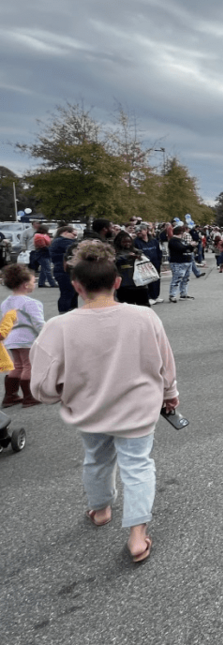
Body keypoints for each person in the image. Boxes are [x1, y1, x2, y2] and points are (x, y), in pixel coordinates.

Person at [30, 239, 179, 564]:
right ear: (116, 282)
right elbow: (164, 362)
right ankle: (137, 535)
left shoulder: (58, 327)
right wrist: (169, 393)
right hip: (137, 408)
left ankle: (100, 509)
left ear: (76, 286)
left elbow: (41, 385)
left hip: (88, 409)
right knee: (138, 465)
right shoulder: (144, 318)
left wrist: (60, 394)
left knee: (96, 459)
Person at [0, 264, 46, 407]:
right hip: (27, 338)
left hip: (11, 338)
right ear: (26, 285)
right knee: (29, 366)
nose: (34, 285)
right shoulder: (31, 303)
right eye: (33, 282)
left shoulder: (5, 302)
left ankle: (10, 396)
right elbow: (38, 322)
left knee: (17, 366)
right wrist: (46, 335)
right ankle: (29, 396)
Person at [113, 232, 151, 307]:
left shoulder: (136, 250)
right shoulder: (115, 252)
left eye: (129, 241)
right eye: (124, 242)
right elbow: (113, 260)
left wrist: (140, 256)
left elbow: (147, 259)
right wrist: (126, 257)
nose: (127, 244)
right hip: (125, 285)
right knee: (127, 308)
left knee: (144, 307)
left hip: (140, 284)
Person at [50, 225, 79, 313]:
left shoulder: (57, 241)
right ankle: (65, 312)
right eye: (73, 234)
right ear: (65, 232)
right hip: (64, 270)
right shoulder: (62, 241)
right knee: (68, 293)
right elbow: (76, 248)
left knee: (71, 293)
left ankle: (70, 312)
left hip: (62, 270)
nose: (74, 237)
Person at [135, 224, 164, 305]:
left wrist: (159, 261)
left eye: (140, 231)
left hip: (155, 263)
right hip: (144, 265)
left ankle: (156, 296)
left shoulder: (154, 241)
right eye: (137, 232)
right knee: (147, 280)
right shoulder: (136, 242)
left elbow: (159, 251)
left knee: (156, 279)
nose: (138, 233)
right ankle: (149, 297)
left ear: (146, 230)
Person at [167, 226, 195, 303]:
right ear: (181, 232)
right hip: (178, 262)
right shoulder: (173, 240)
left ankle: (184, 294)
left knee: (186, 279)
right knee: (177, 279)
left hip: (187, 261)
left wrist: (191, 246)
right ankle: (172, 295)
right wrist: (189, 246)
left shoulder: (182, 240)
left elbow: (188, 249)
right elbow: (180, 249)